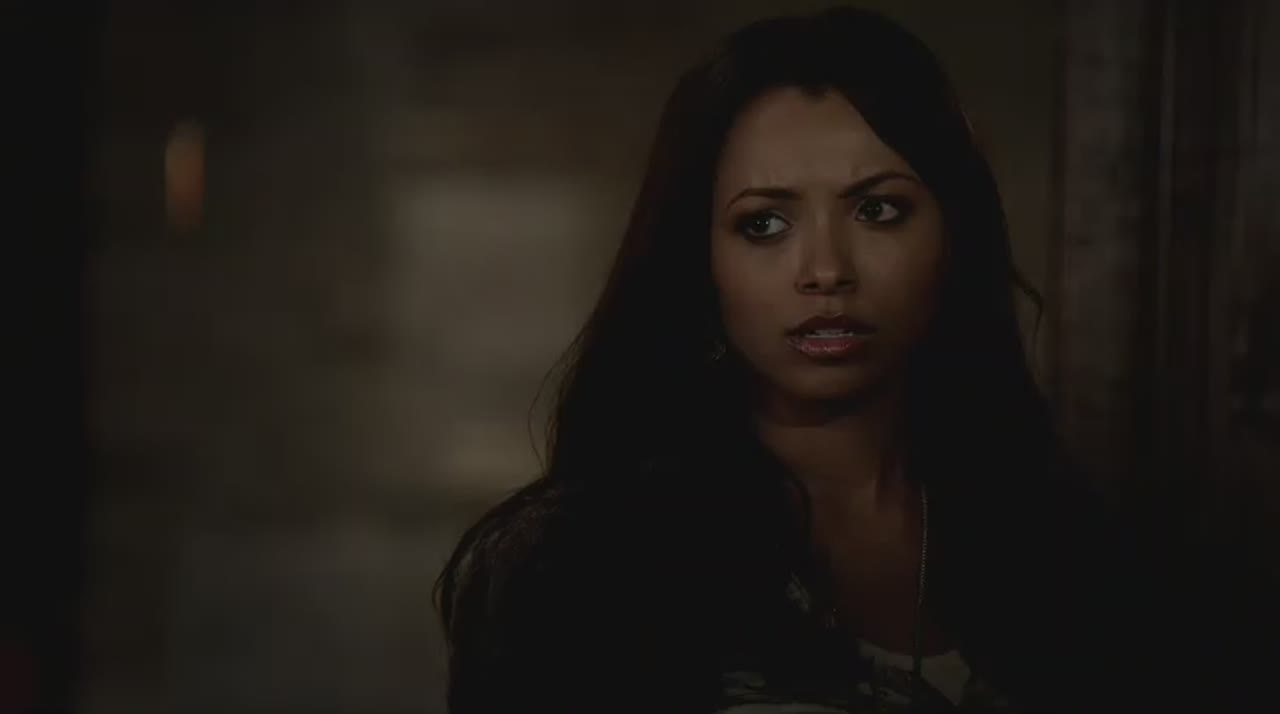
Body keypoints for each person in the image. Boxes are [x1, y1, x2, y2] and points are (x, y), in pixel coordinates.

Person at [433, 7, 1259, 713]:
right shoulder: (583, 564)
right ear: (700, 263)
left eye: (878, 210)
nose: (826, 270)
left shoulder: (1068, 551)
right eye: (764, 224)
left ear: (954, 239)